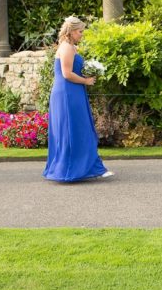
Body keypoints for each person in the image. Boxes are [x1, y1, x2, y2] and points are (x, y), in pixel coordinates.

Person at [43, 16, 112, 182]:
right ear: (72, 31)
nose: (82, 34)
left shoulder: (71, 47)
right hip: (67, 93)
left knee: (80, 128)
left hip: (73, 92)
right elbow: (66, 74)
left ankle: (90, 167)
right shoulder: (66, 47)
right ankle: (68, 170)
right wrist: (86, 81)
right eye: (80, 31)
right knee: (71, 130)